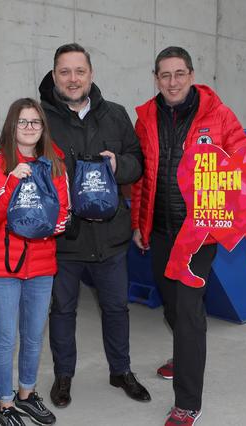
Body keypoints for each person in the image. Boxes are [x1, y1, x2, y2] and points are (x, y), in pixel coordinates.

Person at [130, 46, 246, 426]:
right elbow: (142, 179)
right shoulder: (145, 118)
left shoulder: (218, 116)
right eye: (165, 75)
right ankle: (182, 356)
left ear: (191, 74)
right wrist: (140, 222)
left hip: (201, 233)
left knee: (187, 311)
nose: (173, 82)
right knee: (171, 302)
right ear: (156, 78)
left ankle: (187, 402)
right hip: (162, 229)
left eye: (179, 73)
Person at [39, 43, 150, 408]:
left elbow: (138, 161)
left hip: (111, 238)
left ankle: (121, 370)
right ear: (55, 76)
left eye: (79, 71)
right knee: (63, 311)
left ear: (91, 74)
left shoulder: (115, 115)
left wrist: (120, 166)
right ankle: (64, 376)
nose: (73, 79)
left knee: (117, 308)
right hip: (64, 240)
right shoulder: (39, 118)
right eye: (65, 72)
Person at [0, 98, 69, 426]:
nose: (29, 128)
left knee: (33, 335)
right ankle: (5, 403)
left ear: (43, 128)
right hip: (1, 269)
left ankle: (26, 395)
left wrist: (45, 222)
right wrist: (12, 181)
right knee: (5, 338)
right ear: (11, 126)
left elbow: (63, 216)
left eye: (35, 122)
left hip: (42, 267)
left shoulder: (54, 164)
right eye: (23, 122)